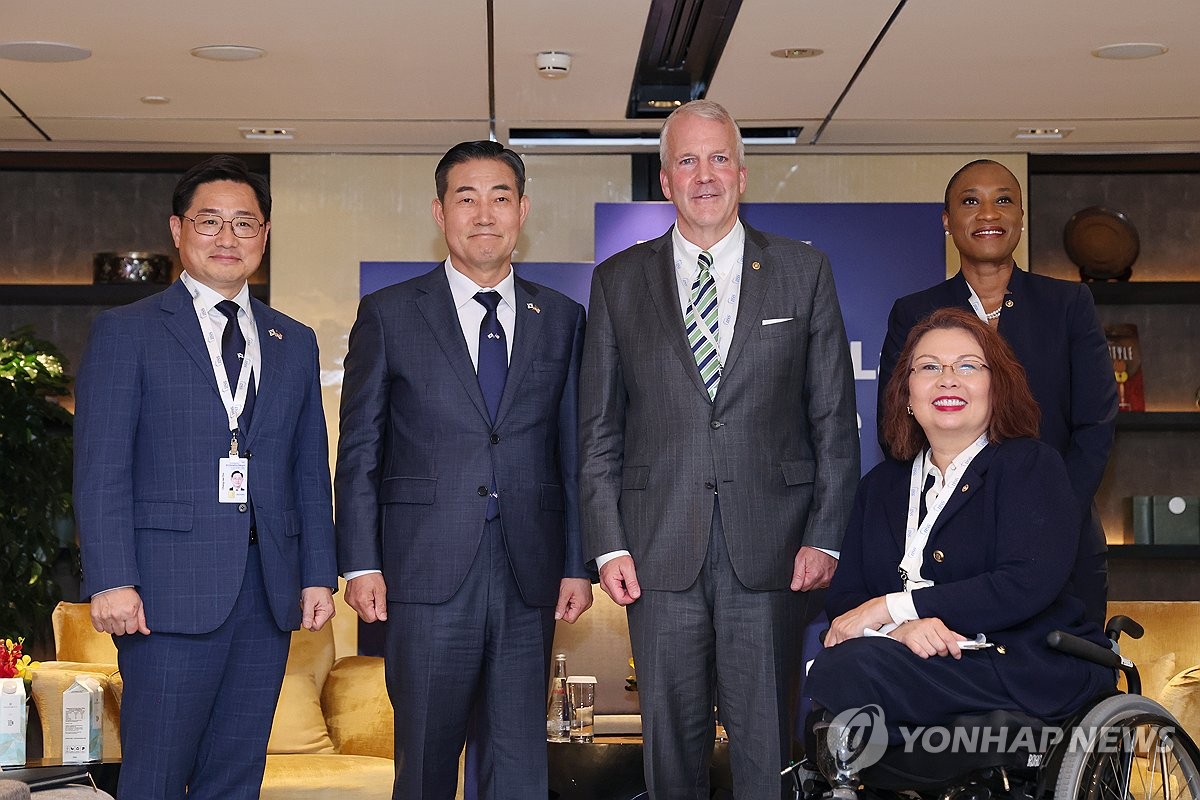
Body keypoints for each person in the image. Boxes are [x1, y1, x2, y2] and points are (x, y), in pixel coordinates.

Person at [579, 99, 860, 799]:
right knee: (670, 756)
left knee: (765, 749)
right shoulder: (617, 281)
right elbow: (599, 429)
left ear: (742, 172)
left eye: (718, 158)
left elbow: (832, 418)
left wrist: (824, 535)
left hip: (772, 551)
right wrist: (609, 545)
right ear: (666, 181)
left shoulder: (804, 271)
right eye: (687, 160)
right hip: (657, 550)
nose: (704, 175)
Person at [335, 140, 592, 800]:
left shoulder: (562, 318)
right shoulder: (390, 314)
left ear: (523, 211)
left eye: (500, 197)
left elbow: (574, 451)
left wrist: (576, 561)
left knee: (519, 764)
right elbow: (361, 447)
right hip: (423, 572)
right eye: (467, 198)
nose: (485, 213)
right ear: (439, 211)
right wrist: (360, 562)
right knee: (423, 762)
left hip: (528, 573)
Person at [74, 155, 337, 800]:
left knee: (236, 775)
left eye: (244, 223)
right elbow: (101, 465)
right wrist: (111, 578)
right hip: (161, 595)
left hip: (266, 593)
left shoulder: (291, 340)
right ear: (177, 230)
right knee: (157, 775)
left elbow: (309, 465)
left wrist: (315, 572)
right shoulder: (127, 332)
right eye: (209, 222)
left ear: (265, 235)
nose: (228, 238)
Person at [809, 308, 1112, 744]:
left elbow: (1023, 584)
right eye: (929, 367)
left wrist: (891, 609)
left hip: (1016, 664)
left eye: (967, 366)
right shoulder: (882, 485)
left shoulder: (1030, 466)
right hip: (911, 660)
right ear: (907, 394)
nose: (947, 379)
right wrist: (903, 629)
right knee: (842, 682)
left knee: (848, 673)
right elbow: (846, 597)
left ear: (996, 388)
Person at [877, 159, 1117, 626]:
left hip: (1060, 540)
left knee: (1060, 686)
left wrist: (1052, 515)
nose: (989, 213)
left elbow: (1095, 424)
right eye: (971, 201)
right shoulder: (914, 312)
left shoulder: (1068, 305)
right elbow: (897, 429)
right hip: (944, 546)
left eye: (1004, 200)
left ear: (1021, 218)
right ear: (948, 222)